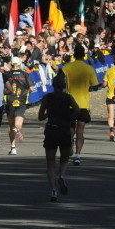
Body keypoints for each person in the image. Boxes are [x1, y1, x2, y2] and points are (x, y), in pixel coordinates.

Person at [38, 73, 80, 202]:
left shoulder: (47, 97)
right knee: (64, 159)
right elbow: (77, 110)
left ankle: (53, 191)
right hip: (64, 130)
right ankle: (61, 175)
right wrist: (69, 117)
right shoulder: (68, 97)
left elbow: (40, 116)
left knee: (50, 164)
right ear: (64, 86)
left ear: (53, 85)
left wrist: (48, 115)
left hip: (51, 129)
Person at [62, 45, 99, 165]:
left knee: (70, 129)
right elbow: (95, 86)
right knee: (80, 131)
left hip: (69, 104)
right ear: (84, 55)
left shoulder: (66, 67)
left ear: (73, 55)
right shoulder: (89, 68)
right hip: (83, 104)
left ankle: (69, 146)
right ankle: (78, 155)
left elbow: (60, 82)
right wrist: (88, 88)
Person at [4, 56, 33, 155]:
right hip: (21, 100)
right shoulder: (25, 74)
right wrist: (26, 93)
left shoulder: (6, 74)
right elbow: (32, 88)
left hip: (9, 100)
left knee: (10, 124)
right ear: (20, 64)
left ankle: (13, 147)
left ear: (10, 64)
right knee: (18, 122)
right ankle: (17, 130)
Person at [102, 55, 115, 141]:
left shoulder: (109, 71)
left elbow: (104, 84)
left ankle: (111, 131)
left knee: (111, 114)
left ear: (113, 63)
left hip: (110, 95)